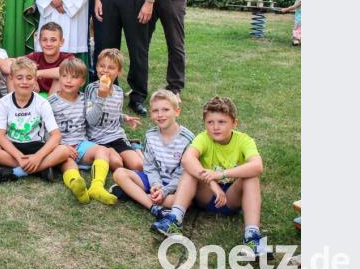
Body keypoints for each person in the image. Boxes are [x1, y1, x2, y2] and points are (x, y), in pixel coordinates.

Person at [151, 97, 267, 257]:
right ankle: (174, 220)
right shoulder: (203, 137)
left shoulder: (244, 140)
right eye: (210, 122)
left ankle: (252, 237)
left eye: (222, 122)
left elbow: (257, 166)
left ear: (234, 123)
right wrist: (213, 183)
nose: (215, 127)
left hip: (231, 198)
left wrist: (221, 174)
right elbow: (187, 159)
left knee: (251, 176)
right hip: (206, 195)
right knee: (190, 169)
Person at [0, 57, 70, 184]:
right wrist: (19, 157)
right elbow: (0, 137)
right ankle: (41, 169)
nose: (24, 82)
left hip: (36, 147)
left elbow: (56, 136)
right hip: (12, 148)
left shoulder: (42, 103)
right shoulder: (3, 103)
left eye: (29, 78)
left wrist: (38, 157)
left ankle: (15, 172)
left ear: (35, 80)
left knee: (64, 150)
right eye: (19, 78)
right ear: (11, 79)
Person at [111, 89, 195, 219]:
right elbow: (149, 166)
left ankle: (136, 195)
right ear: (151, 113)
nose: (160, 115)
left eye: (166, 110)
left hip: (175, 186)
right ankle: (154, 207)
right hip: (153, 181)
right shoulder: (150, 135)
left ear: (177, 112)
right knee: (119, 173)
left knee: (185, 202)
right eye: (155, 111)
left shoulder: (187, 139)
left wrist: (164, 191)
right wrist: (156, 185)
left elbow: (184, 173)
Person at [48, 58, 102, 204]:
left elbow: (93, 119)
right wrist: (61, 146)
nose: (68, 80)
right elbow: (46, 130)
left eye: (74, 77)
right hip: (60, 147)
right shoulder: (51, 102)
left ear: (82, 82)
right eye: (64, 76)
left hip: (81, 144)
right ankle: (76, 184)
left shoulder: (85, 99)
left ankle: (97, 185)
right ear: (59, 78)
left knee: (102, 151)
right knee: (68, 163)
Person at [84, 49, 143, 173]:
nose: (105, 70)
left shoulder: (119, 91)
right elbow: (91, 120)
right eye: (102, 66)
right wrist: (101, 97)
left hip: (116, 136)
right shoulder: (91, 89)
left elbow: (112, 113)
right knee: (117, 164)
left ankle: (132, 147)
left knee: (137, 165)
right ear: (96, 67)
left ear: (119, 72)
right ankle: (130, 150)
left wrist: (124, 117)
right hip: (98, 140)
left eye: (111, 67)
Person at [1, 22, 73, 95]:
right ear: (39, 42)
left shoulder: (67, 58)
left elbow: (67, 71)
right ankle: (15, 104)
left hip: (56, 99)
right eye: (44, 40)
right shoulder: (35, 57)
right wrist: (30, 78)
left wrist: (34, 74)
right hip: (35, 97)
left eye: (53, 40)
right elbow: (6, 65)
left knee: (60, 77)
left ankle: (50, 106)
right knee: (11, 75)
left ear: (61, 42)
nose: (48, 44)